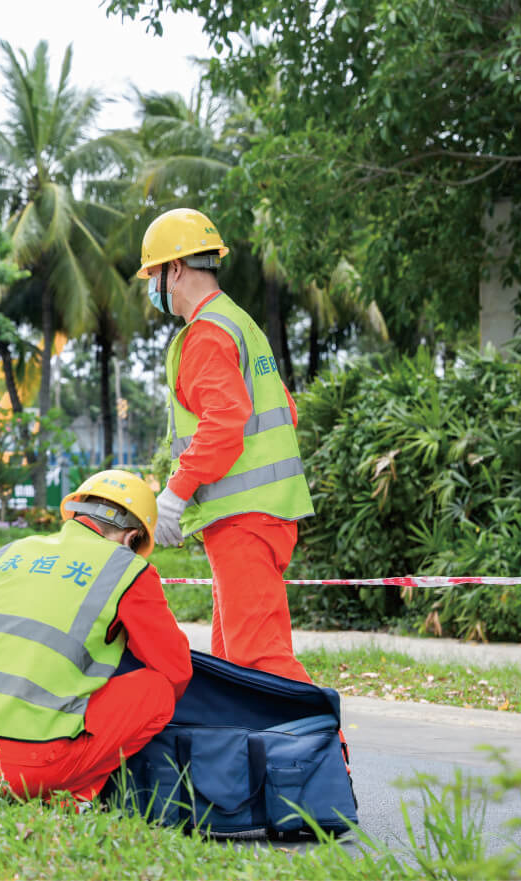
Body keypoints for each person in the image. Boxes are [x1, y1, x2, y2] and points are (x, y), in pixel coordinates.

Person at [0, 470, 192, 802]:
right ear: (131, 538)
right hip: (23, 766)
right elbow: (176, 671)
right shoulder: (127, 568)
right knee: (156, 691)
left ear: (76, 512)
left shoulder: (11, 552)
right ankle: (72, 795)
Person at [137, 208, 315, 683]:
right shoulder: (240, 324)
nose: (154, 287)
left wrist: (175, 493)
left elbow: (224, 424)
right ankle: (258, 755)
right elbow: (284, 411)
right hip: (259, 514)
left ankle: (318, 753)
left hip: (245, 518)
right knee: (237, 661)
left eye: (153, 274)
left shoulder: (207, 335)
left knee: (259, 659)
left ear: (175, 268)